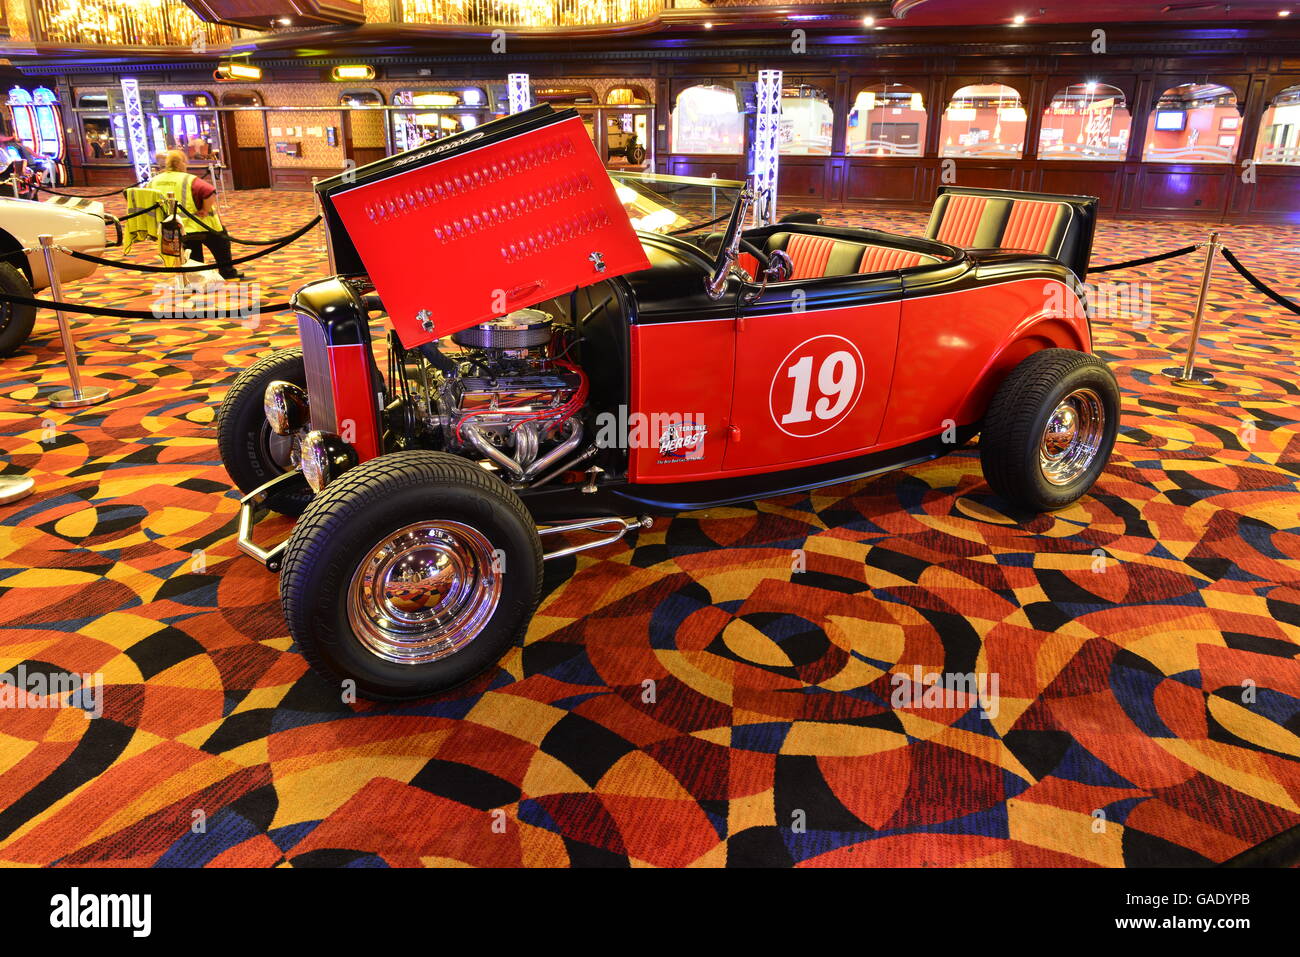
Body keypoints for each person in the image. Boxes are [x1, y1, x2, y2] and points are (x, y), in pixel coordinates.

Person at [145, 149, 244, 280]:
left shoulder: (154, 180)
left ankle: (198, 276)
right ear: (182, 163)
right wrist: (205, 210)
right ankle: (227, 271)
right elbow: (210, 192)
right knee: (222, 244)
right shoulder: (188, 179)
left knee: (193, 251)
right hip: (200, 224)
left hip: (174, 227)